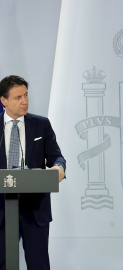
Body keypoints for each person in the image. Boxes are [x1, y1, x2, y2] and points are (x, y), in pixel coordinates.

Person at [0, 75, 66, 270]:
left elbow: (56, 157)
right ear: (3, 101)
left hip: (35, 209)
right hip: (2, 210)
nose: (25, 101)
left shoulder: (41, 124)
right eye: (18, 97)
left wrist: (59, 168)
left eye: (26, 95)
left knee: (39, 265)